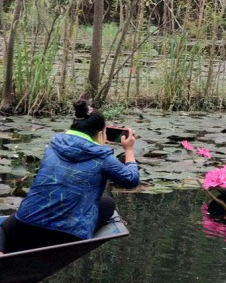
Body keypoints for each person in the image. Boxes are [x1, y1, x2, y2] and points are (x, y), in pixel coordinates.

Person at [0, 99, 139, 255]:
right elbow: (131, 180)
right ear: (101, 133)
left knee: (4, 227)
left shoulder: (53, 144)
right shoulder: (103, 157)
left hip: (26, 227)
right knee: (107, 203)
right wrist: (128, 150)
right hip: (69, 236)